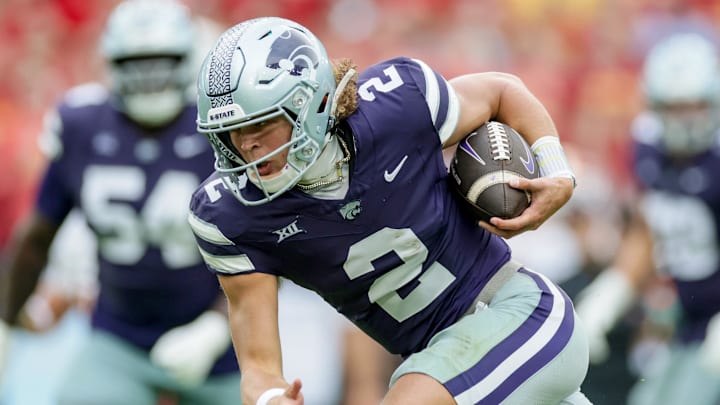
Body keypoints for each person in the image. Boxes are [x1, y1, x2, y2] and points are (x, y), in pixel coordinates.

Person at [188, 16, 589, 405]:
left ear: (308, 105)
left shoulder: (399, 104)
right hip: (440, 362)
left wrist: (556, 169)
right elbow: (258, 368)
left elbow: (501, 91)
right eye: (231, 132)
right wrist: (271, 398)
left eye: (260, 125)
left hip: (521, 315)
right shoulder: (230, 214)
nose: (245, 145)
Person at [0, 1, 241, 404]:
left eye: (161, 62)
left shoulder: (220, 128)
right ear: (111, 63)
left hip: (224, 341)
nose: (149, 77)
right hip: (119, 338)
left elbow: (267, 247)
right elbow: (38, 236)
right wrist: (6, 325)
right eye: (136, 63)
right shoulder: (82, 125)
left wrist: (215, 330)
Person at [574, 32, 720, 405]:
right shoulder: (648, 148)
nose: (685, 120)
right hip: (691, 323)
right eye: (673, 108)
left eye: (695, 107)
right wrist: (614, 290)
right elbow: (648, 228)